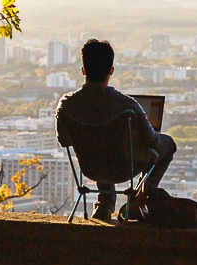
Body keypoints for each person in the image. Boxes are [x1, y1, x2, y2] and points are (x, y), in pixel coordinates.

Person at [55, 39, 177, 221]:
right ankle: (141, 198)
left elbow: (64, 140)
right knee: (169, 144)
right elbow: (153, 142)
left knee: (99, 145)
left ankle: (104, 204)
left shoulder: (66, 105)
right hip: (124, 168)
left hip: (90, 167)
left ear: (83, 70)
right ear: (111, 70)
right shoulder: (127, 106)